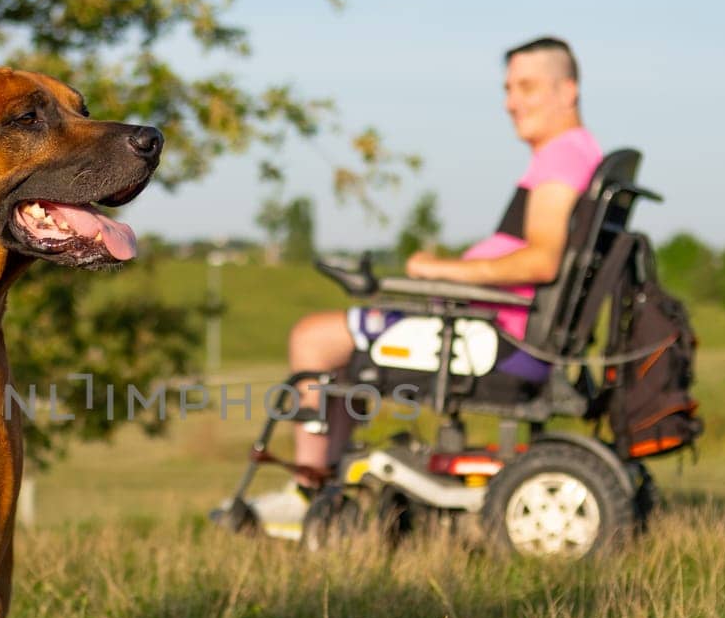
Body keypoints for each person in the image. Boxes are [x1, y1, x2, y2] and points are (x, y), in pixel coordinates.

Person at [250, 36, 604, 535]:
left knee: (313, 338)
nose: (511, 102)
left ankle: (310, 492)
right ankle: (323, 484)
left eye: (526, 87)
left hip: (494, 338)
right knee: (342, 352)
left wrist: (440, 270)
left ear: (567, 90)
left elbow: (542, 261)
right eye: (507, 88)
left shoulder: (561, 159)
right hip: (497, 328)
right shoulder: (578, 154)